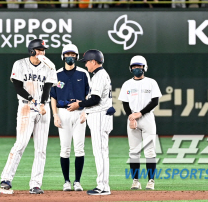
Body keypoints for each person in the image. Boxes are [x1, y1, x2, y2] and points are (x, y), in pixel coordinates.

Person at [0, 39, 57, 195]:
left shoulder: (49, 66)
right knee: (21, 143)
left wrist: (43, 104)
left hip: (42, 107)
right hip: (26, 106)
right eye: (39, 49)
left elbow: (47, 88)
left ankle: (35, 184)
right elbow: (17, 87)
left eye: (43, 50)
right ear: (32, 51)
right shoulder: (20, 64)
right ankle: (6, 178)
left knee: (41, 149)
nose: (42, 52)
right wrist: (34, 101)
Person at [66, 49, 115, 196]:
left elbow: (95, 99)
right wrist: (83, 108)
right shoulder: (100, 75)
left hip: (100, 116)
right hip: (99, 115)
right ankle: (103, 185)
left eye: (87, 61)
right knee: (101, 152)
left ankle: (103, 187)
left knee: (100, 153)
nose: (86, 65)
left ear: (93, 61)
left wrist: (79, 104)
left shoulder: (99, 75)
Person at [50, 43, 90, 192]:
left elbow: (89, 94)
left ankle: (77, 181)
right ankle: (66, 181)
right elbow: (52, 97)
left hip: (79, 112)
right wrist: (55, 115)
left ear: (77, 56)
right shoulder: (56, 74)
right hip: (63, 113)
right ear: (63, 56)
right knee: (65, 149)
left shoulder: (83, 73)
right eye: (67, 54)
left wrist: (86, 110)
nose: (70, 57)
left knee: (79, 148)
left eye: (73, 54)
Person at [119, 55, 161, 191]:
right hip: (133, 119)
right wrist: (131, 118)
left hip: (147, 118)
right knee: (134, 152)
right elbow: (125, 103)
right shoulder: (127, 84)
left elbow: (155, 101)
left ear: (145, 67)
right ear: (131, 68)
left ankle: (151, 181)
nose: (137, 68)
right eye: (135, 66)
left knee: (149, 151)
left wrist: (140, 114)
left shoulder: (151, 82)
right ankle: (135, 181)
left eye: (140, 66)